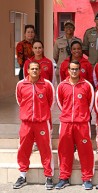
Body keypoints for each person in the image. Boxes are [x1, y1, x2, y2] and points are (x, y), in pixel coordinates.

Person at [13, 61, 54, 190]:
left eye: (37, 68)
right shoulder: (20, 85)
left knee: (45, 150)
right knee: (23, 149)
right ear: (28, 70)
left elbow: (50, 103)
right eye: (32, 69)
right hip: (26, 123)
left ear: (40, 70)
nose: (35, 71)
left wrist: (41, 114)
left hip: (42, 123)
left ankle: (48, 176)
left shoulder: (47, 85)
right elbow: (20, 101)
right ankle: (22, 175)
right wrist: (28, 114)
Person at [56, 60, 95, 190]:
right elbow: (60, 103)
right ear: (68, 70)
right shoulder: (62, 86)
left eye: (76, 69)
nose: (74, 71)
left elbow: (90, 104)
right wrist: (68, 115)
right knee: (64, 151)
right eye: (72, 69)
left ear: (80, 70)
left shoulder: (86, 85)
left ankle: (87, 178)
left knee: (86, 151)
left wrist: (81, 116)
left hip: (82, 123)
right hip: (66, 123)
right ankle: (64, 177)